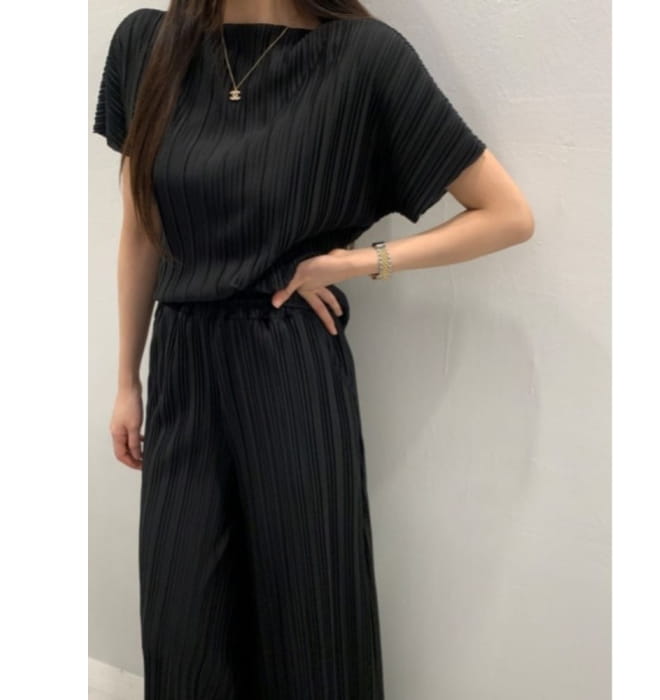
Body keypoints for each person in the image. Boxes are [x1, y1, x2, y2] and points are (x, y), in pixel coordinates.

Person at [92, 0, 534, 697]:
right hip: (182, 368)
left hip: (290, 368)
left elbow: (508, 214)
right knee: (182, 624)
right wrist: (126, 378)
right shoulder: (148, 45)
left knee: (311, 622)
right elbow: (141, 231)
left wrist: (359, 263)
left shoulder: (362, 58)